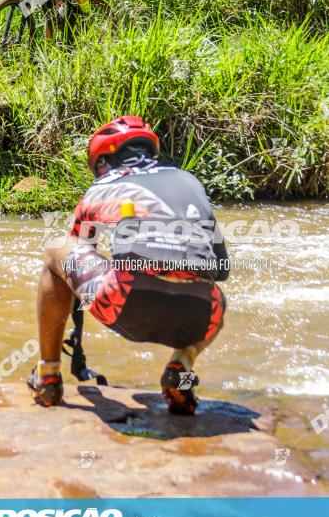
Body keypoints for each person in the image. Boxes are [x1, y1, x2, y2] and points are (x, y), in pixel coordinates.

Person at [27, 116, 229, 415]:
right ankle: (181, 370)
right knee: (218, 300)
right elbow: (221, 268)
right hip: (200, 315)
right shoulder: (190, 182)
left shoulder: (100, 187)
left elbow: (79, 257)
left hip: (125, 305)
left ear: (102, 163)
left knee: (57, 249)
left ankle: (48, 376)